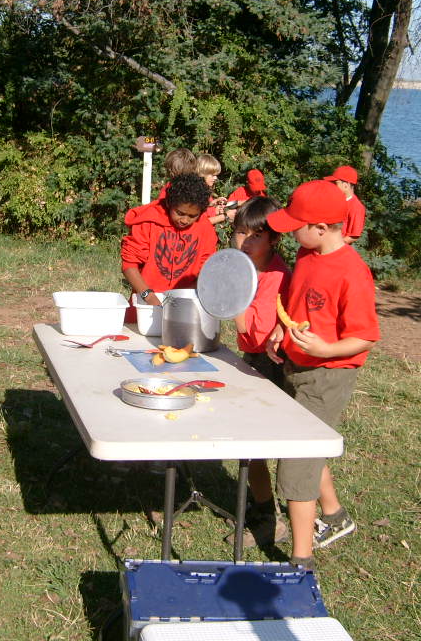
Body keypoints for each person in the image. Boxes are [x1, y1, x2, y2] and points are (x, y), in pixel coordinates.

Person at [265, 180, 380, 570]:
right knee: (310, 446)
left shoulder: (352, 272)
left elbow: (365, 337)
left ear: (320, 227)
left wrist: (326, 350)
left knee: (297, 459)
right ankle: (334, 515)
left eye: (294, 226)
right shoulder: (307, 253)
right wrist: (281, 329)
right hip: (297, 367)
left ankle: (301, 559)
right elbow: (296, 301)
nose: (288, 233)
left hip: (327, 374)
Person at [230, 196, 291, 547]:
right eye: (241, 233)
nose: (245, 241)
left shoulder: (275, 277)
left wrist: (232, 298)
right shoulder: (250, 269)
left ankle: (271, 519)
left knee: (260, 442)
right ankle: (262, 506)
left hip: (270, 364)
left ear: (274, 239)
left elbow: (255, 334)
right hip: (253, 358)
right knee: (248, 442)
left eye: (256, 235)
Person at [122, 173, 217, 306]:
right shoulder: (148, 221)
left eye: (192, 216)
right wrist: (148, 296)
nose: (184, 220)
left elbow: (207, 271)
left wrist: (181, 299)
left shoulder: (205, 229)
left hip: (184, 306)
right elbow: (129, 265)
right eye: (180, 213)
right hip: (145, 305)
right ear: (169, 203)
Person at [323, 166, 366, 245]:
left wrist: (332, 245)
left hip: (334, 249)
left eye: (336, 183)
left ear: (346, 185)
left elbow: (353, 236)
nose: (333, 185)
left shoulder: (356, 207)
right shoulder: (334, 200)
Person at [196, 153, 228, 226]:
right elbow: (200, 224)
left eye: (216, 175)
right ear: (202, 174)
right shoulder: (197, 194)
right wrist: (224, 216)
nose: (216, 178)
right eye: (213, 175)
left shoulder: (206, 191)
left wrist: (216, 210)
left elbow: (208, 213)